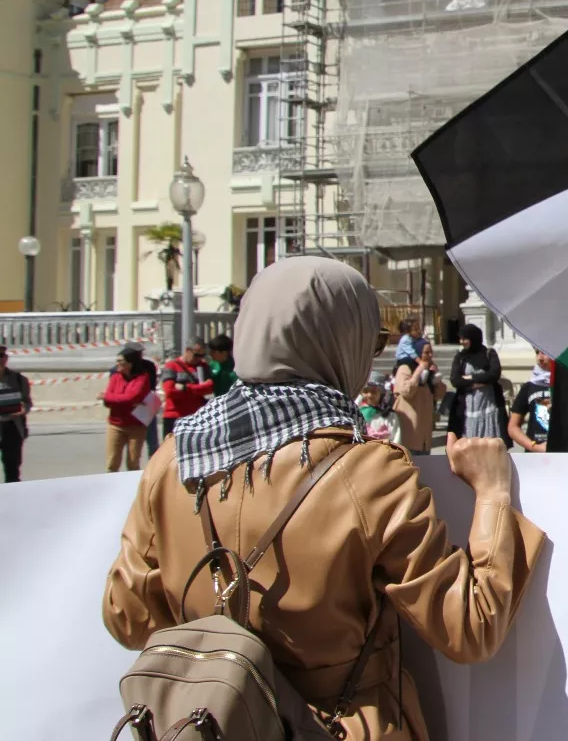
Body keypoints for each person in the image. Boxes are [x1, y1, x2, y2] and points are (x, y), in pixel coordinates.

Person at [102, 257, 544, 740]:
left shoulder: (175, 457)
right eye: (369, 341)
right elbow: (470, 627)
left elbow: (126, 617)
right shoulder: (368, 471)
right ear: (338, 342)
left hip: (210, 725)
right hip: (342, 725)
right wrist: (494, 492)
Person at [448, 323, 506, 446]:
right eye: (461, 338)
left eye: (465, 338)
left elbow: (494, 374)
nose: (461, 341)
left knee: (489, 444)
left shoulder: (489, 353)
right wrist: (475, 385)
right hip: (468, 408)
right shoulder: (460, 357)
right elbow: (455, 380)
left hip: (488, 406)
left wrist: (471, 377)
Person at [102, 346, 156, 472]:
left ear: (130, 364)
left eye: (121, 362)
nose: (118, 364)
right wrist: (110, 398)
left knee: (133, 463)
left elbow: (131, 397)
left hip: (136, 426)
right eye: (117, 361)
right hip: (115, 424)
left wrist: (108, 397)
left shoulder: (142, 378)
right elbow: (108, 401)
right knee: (112, 463)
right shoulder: (115, 376)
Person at [391, 341, 445, 456]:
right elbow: (406, 392)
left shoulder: (430, 371)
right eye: (426, 352)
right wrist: (419, 370)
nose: (430, 355)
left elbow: (439, 395)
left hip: (425, 432)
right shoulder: (405, 368)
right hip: (409, 430)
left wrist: (437, 378)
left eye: (431, 352)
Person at [159, 340, 215, 437]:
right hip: (174, 416)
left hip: (196, 415)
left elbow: (209, 388)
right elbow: (170, 391)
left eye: (202, 356)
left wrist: (185, 387)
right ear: (187, 350)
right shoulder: (172, 366)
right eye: (196, 355)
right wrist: (198, 389)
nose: (199, 359)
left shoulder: (203, 367)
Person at [508, 354, 553, 453]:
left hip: (563, 455)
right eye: (537, 352)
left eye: (544, 352)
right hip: (534, 455)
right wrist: (534, 446)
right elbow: (513, 427)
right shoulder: (529, 387)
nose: (540, 358)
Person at [0, 345, 32, 482]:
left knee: (12, 471)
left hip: (12, 428)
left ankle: (11, 501)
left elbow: (27, 401)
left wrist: (24, 408)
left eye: (1, 356)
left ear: (6, 358)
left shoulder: (19, 379)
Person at [358, 378, 403, 443]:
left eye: (374, 392)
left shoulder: (389, 416)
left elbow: (396, 438)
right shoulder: (357, 413)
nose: (370, 395)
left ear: (381, 394)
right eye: (366, 391)